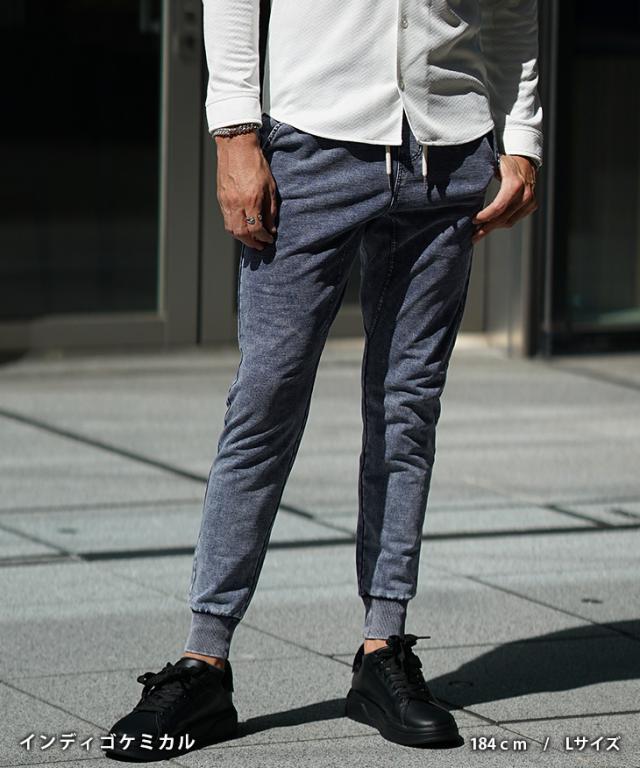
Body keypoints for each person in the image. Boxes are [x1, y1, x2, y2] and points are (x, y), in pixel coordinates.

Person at [105, 0, 542, 760]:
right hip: (312, 144)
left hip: (447, 151)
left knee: (407, 407)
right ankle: (203, 662)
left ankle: (383, 650)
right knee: (265, 401)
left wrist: (523, 136)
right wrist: (235, 133)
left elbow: (513, 10)